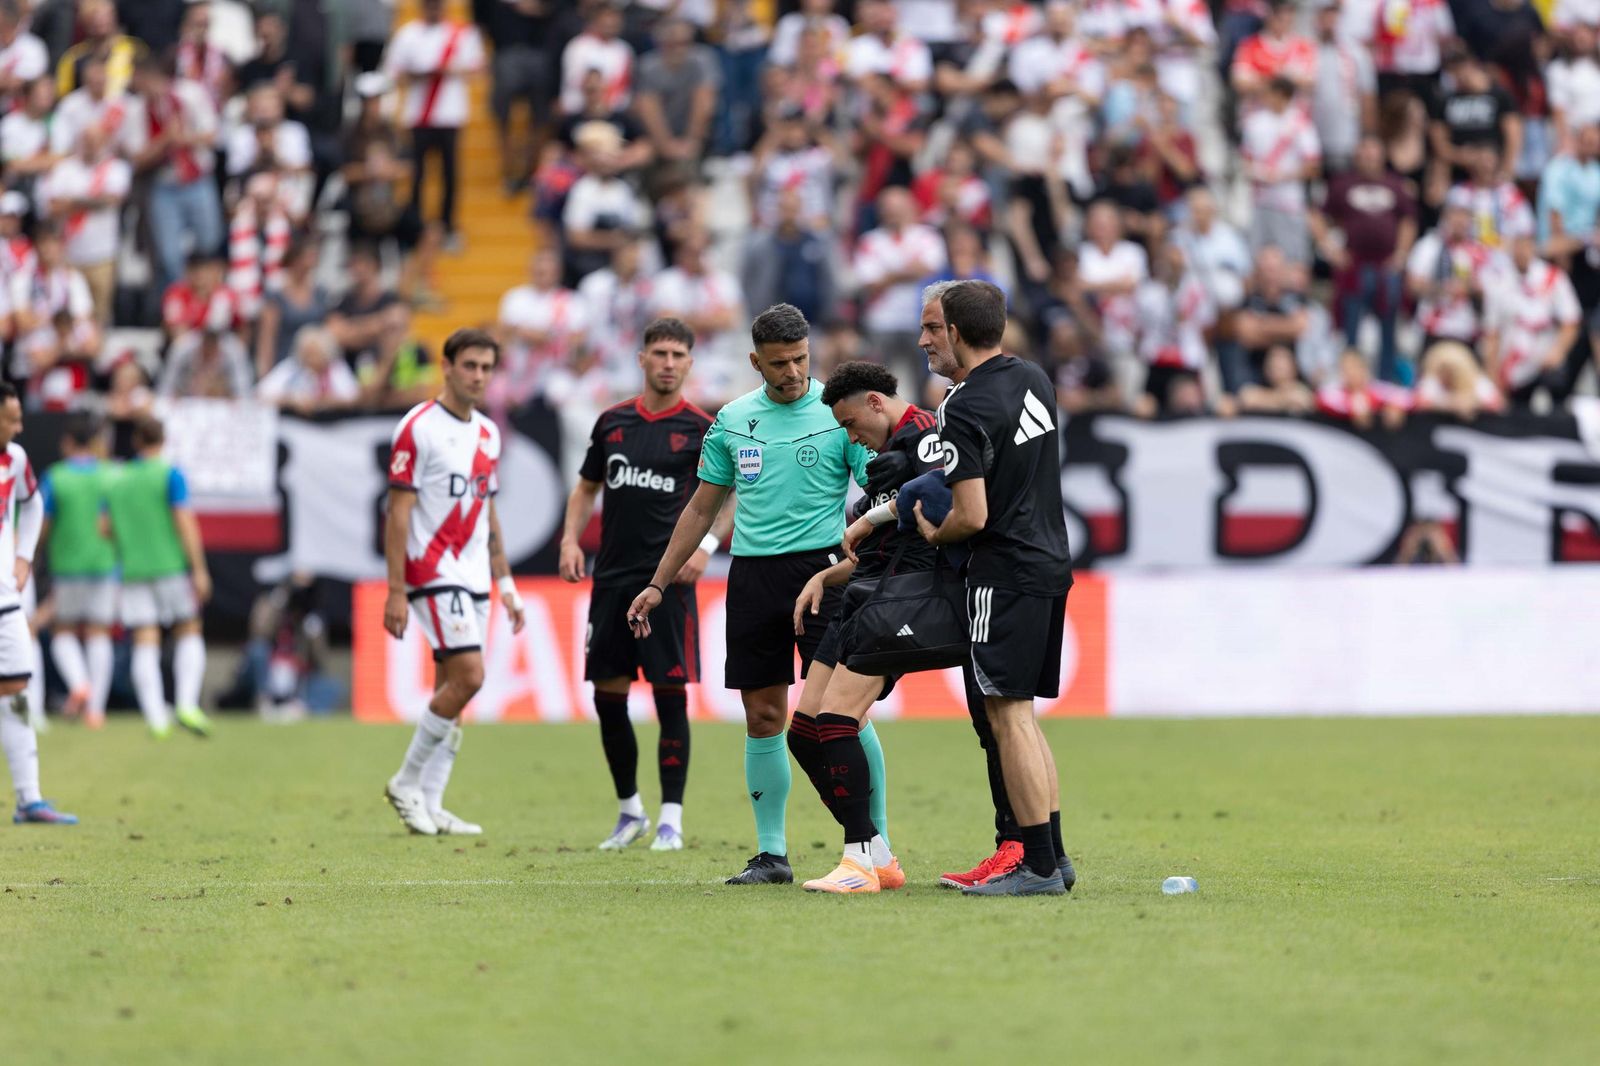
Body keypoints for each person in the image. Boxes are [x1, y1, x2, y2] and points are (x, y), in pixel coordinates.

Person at [626, 303, 871, 886]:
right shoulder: (733, 419)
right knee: (763, 716)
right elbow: (702, 505)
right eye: (780, 363)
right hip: (754, 577)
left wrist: (868, 554)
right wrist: (660, 581)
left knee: (841, 714)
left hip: (824, 573)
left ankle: (872, 845)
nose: (793, 373)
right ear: (755, 360)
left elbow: (876, 485)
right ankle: (771, 854)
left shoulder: (839, 413)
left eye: (802, 360)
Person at [916, 280, 1074, 896]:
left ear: (956, 331)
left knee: (1006, 716)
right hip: (1050, 564)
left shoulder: (961, 406)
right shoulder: (1034, 377)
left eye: (932, 329)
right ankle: (1053, 856)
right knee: (1024, 719)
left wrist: (933, 530)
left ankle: (1035, 868)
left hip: (1002, 572)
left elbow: (973, 515)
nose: (925, 339)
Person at [559, 318, 728, 852]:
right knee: (608, 693)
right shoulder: (612, 423)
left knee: (669, 693)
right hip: (610, 579)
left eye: (679, 354)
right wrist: (569, 539)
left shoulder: (703, 428)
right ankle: (630, 810)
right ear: (642, 359)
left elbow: (730, 498)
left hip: (667, 582)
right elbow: (586, 487)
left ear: (690, 363)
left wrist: (704, 549)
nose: (669, 362)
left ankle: (671, 818)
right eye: (660, 352)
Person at [783, 361, 942, 893]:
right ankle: (877, 854)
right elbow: (876, 546)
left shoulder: (926, 436)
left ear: (876, 402)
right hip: (861, 593)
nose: (852, 437)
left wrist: (873, 519)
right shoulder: (884, 460)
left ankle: (857, 866)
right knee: (804, 733)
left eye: (852, 424)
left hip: (900, 599)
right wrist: (826, 577)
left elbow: (943, 506)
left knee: (835, 719)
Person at [382, 328, 526, 837]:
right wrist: (396, 589)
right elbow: (397, 514)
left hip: (474, 574)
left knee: (454, 687)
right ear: (447, 366)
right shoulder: (417, 428)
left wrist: (505, 581)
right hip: (430, 568)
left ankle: (432, 802)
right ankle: (405, 781)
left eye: (487, 368)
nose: (479, 376)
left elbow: (487, 511)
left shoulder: (489, 432)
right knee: (470, 677)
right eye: (470, 366)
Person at [104, 415, 213, 739]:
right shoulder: (170, 474)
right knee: (188, 628)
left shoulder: (117, 478)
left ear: (136, 442)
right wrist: (199, 569)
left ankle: (155, 717)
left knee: (145, 639)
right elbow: (185, 522)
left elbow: (104, 527)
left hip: (134, 569)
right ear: (163, 441)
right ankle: (186, 704)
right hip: (169, 567)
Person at [0, 382, 74, 823]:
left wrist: (24, 556)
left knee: (16, 692)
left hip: (6, 602)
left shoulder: (17, 459)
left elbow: (33, 503)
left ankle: (30, 798)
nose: (20, 426)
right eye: (11, 418)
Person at [382, 0, 486, 250]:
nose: (434, 10)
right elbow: (393, 72)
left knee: (450, 175)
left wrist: (449, 70)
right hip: (418, 115)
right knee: (417, 174)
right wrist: (421, 73)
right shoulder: (408, 34)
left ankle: (447, 226)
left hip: (450, 114)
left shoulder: (463, 33)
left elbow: (478, 69)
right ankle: (415, 228)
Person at [38, 414, 116, 728]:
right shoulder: (109, 475)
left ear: (68, 443)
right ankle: (96, 709)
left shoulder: (55, 477)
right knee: (100, 633)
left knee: (63, 632)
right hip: (104, 563)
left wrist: (33, 553)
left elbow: (42, 522)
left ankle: (80, 684)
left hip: (67, 563)